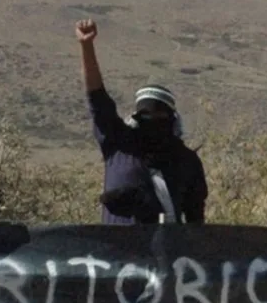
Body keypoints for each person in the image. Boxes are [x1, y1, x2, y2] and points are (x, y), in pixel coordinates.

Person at [75, 19, 208, 225]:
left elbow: (196, 223)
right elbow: (96, 97)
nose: (153, 123)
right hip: (116, 255)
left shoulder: (186, 162)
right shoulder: (119, 144)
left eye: (160, 118)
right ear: (136, 119)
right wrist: (86, 46)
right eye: (146, 117)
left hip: (166, 255)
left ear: (172, 121)